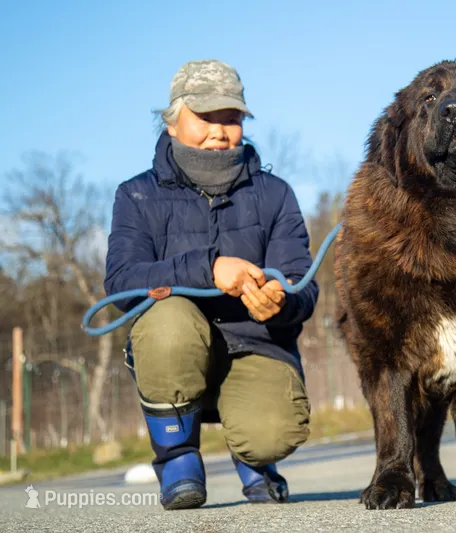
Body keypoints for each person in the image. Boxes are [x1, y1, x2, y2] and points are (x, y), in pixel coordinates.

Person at [103, 59, 318, 510]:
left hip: (255, 345)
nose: (220, 130)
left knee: (272, 434)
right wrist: (209, 267)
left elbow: (302, 282)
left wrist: (281, 301)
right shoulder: (136, 195)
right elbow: (122, 283)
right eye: (205, 117)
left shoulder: (275, 193)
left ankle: (255, 460)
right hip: (176, 346)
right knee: (167, 322)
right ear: (173, 120)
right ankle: (177, 457)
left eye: (232, 118)